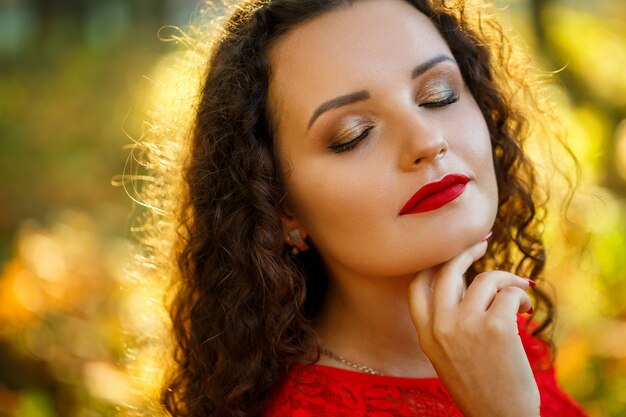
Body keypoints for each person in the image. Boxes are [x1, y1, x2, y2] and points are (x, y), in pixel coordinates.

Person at [151, 0, 589, 416]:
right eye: (354, 134)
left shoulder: (495, 331)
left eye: (438, 96)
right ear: (280, 205)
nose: (426, 141)